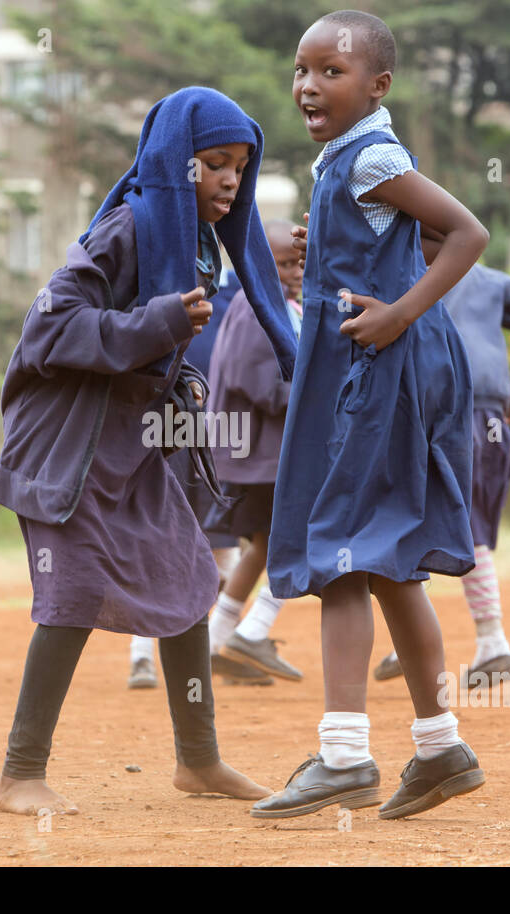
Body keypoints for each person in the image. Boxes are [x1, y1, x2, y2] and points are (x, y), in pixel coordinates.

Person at [0, 87, 298, 816]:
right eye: (213, 163)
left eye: (239, 167)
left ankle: (199, 761)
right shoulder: (130, 227)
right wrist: (156, 321)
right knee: (70, 596)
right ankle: (19, 774)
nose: (228, 180)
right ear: (176, 163)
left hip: (137, 441)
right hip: (73, 441)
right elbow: (49, 329)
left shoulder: (196, 242)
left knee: (190, 583)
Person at [251, 10, 490, 822]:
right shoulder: (343, 162)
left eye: (331, 72)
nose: (308, 86)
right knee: (386, 560)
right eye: (302, 70)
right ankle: (440, 748)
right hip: (366, 367)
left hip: (377, 369)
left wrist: (398, 315)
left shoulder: (371, 157)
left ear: (377, 87)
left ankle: (345, 754)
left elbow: (466, 232)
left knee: (342, 552)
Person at [374, 264, 510, 688]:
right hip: (485, 411)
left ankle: (487, 643)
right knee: (459, 522)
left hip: (425, 406)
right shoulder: (484, 277)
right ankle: (475, 641)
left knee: (401, 518)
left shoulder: (396, 265)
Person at [127, 265, 262, 689]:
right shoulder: (161, 283)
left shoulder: (247, 289)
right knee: (158, 536)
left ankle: (215, 646)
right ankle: (142, 655)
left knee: (224, 542)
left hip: (223, 430)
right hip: (168, 423)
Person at [203, 220, 306, 683]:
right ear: (259, 265)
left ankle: (214, 640)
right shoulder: (256, 306)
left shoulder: (280, 305)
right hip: (262, 453)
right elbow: (256, 379)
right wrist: (317, 399)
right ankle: (253, 628)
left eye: (301, 262)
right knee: (304, 539)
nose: (295, 272)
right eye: (284, 263)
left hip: (265, 452)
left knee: (265, 545)